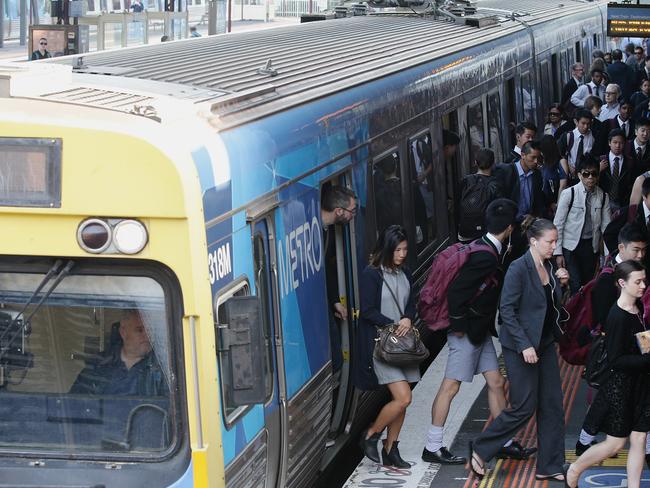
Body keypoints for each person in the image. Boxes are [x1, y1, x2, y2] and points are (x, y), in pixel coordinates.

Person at [423, 199, 537, 464]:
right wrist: (460, 329)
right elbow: (457, 293)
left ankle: (502, 441)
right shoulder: (486, 256)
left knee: (496, 382)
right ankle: (433, 446)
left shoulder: (482, 245)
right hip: (466, 332)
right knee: (450, 387)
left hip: (479, 331)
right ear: (509, 229)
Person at [469, 218, 569, 483]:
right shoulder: (518, 268)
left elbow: (549, 307)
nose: (554, 246)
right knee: (524, 406)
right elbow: (507, 312)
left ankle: (550, 464)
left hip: (545, 345)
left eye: (555, 241)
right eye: (550, 241)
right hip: (520, 347)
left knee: (552, 405)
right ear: (534, 241)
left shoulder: (548, 266)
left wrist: (562, 285)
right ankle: (481, 448)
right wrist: (524, 344)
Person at [565, 260, 649, 488]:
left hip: (642, 384)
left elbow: (642, 340)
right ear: (622, 283)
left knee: (640, 438)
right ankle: (575, 469)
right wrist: (647, 359)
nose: (643, 286)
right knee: (615, 443)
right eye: (638, 282)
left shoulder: (637, 308)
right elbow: (616, 359)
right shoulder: (617, 316)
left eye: (644, 280)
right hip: (621, 387)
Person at [576, 224, 647, 455]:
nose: (640, 255)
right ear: (621, 247)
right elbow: (603, 319)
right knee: (605, 399)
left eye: (643, 251)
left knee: (610, 401)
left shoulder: (635, 275)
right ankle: (585, 449)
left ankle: (586, 443)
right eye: (636, 250)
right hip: (613, 354)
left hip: (628, 353)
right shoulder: (608, 279)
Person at [356, 225, 418, 467]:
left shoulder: (406, 273)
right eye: (397, 250)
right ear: (387, 249)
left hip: (402, 346)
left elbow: (411, 303)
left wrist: (408, 317)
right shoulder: (372, 274)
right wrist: (392, 323)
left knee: (401, 399)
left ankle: (391, 449)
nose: (402, 254)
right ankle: (371, 434)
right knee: (404, 398)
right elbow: (367, 310)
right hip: (381, 346)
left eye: (404, 249)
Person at [70, 309, 167, 396]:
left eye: (150, 330)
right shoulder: (99, 365)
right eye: (140, 330)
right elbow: (76, 404)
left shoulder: (163, 367)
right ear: (123, 332)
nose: (147, 336)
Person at [554, 157, 611, 295]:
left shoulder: (603, 196)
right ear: (579, 174)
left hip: (591, 247)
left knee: (587, 285)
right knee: (575, 284)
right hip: (570, 246)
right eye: (586, 174)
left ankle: (582, 314)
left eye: (594, 174)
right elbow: (558, 224)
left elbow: (607, 228)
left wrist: (609, 255)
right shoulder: (569, 193)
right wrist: (558, 252)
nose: (590, 178)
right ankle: (572, 313)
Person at [321, 184, 357, 373]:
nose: (353, 216)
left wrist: (335, 300)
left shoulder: (325, 230)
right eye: (352, 211)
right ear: (339, 211)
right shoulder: (319, 233)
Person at [493, 141, 545, 261]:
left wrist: (534, 216)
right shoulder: (506, 172)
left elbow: (538, 201)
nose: (536, 161)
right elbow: (500, 200)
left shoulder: (537, 175)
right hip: (510, 226)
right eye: (533, 158)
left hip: (528, 225)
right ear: (523, 155)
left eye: (538, 158)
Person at [457, 149, 501, 242]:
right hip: (484, 233)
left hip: (465, 232)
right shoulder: (496, 184)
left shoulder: (466, 180)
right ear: (493, 163)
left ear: (475, 162)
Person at [599, 128, 633, 212]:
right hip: (603, 201)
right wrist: (598, 170)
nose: (618, 146)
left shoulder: (630, 162)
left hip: (622, 203)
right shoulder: (601, 160)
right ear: (609, 143)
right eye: (615, 142)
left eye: (621, 143)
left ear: (624, 144)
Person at [558, 109, 595, 180]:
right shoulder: (568, 136)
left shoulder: (593, 137)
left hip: (587, 175)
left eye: (588, 124)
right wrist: (567, 165)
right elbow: (559, 153)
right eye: (583, 123)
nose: (586, 126)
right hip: (571, 174)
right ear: (576, 122)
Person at [540, 134, 568, 214]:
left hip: (557, 201)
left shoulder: (561, 161)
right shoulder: (543, 163)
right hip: (545, 202)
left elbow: (563, 186)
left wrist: (558, 206)